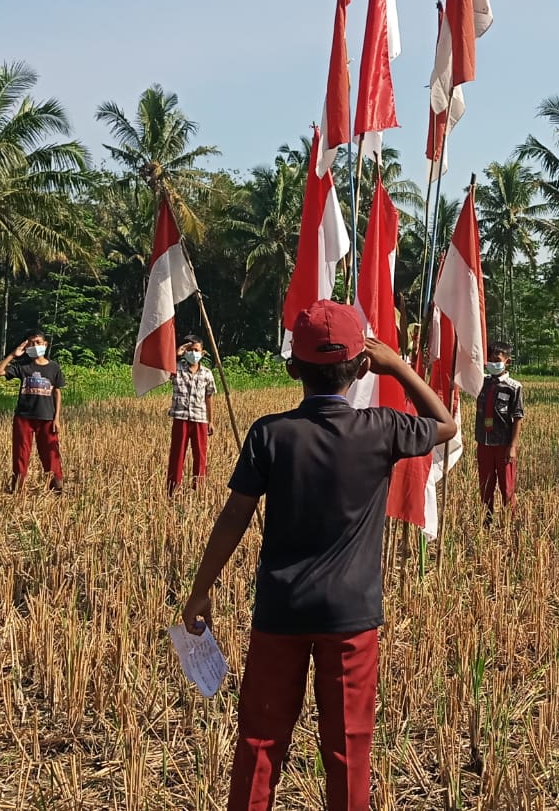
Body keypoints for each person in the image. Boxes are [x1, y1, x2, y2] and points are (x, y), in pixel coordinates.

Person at [180, 300, 457, 811]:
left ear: (292, 368)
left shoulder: (269, 433)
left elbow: (233, 518)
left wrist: (201, 590)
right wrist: (398, 364)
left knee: (260, 743)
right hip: (351, 618)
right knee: (349, 749)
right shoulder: (382, 428)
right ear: (361, 368)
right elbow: (445, 425)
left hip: (279, 613)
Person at [0, 331, 65, 494]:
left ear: (45, 345)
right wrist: (13, 354)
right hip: (24, 417)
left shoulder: (54, 367)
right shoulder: (23, 367)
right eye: (31, 343)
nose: (35, 346)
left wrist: (57, 418)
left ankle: (56, 485)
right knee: (20, 452)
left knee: (50, 451)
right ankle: (17, 487)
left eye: (38, 342)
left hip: (46, 417)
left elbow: (57, 392)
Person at [475, 341, 525, 526]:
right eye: (489, 360)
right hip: (484, 442)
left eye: (496, 360)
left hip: (503, 445)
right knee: (485, 485)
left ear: (507, 362)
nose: (492, 363)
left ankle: (509, 523)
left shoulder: (513, 387)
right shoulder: (482, 382)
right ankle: (486, 521)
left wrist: (512, 446)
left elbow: (518, 417)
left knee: (507, 486)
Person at [167, 335, 217, 496]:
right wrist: (176, 353)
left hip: (200, 418)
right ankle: (173, 489)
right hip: (180, 417)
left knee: (200, 456)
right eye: (189, 350)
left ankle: (198, 489)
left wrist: (210, 420)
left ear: (203, 353)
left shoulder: (207, 374)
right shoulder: (176, 369)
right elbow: (163, 372)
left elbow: (208, 397)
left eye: (196, 350)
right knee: (177, 454)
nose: (193, 353)